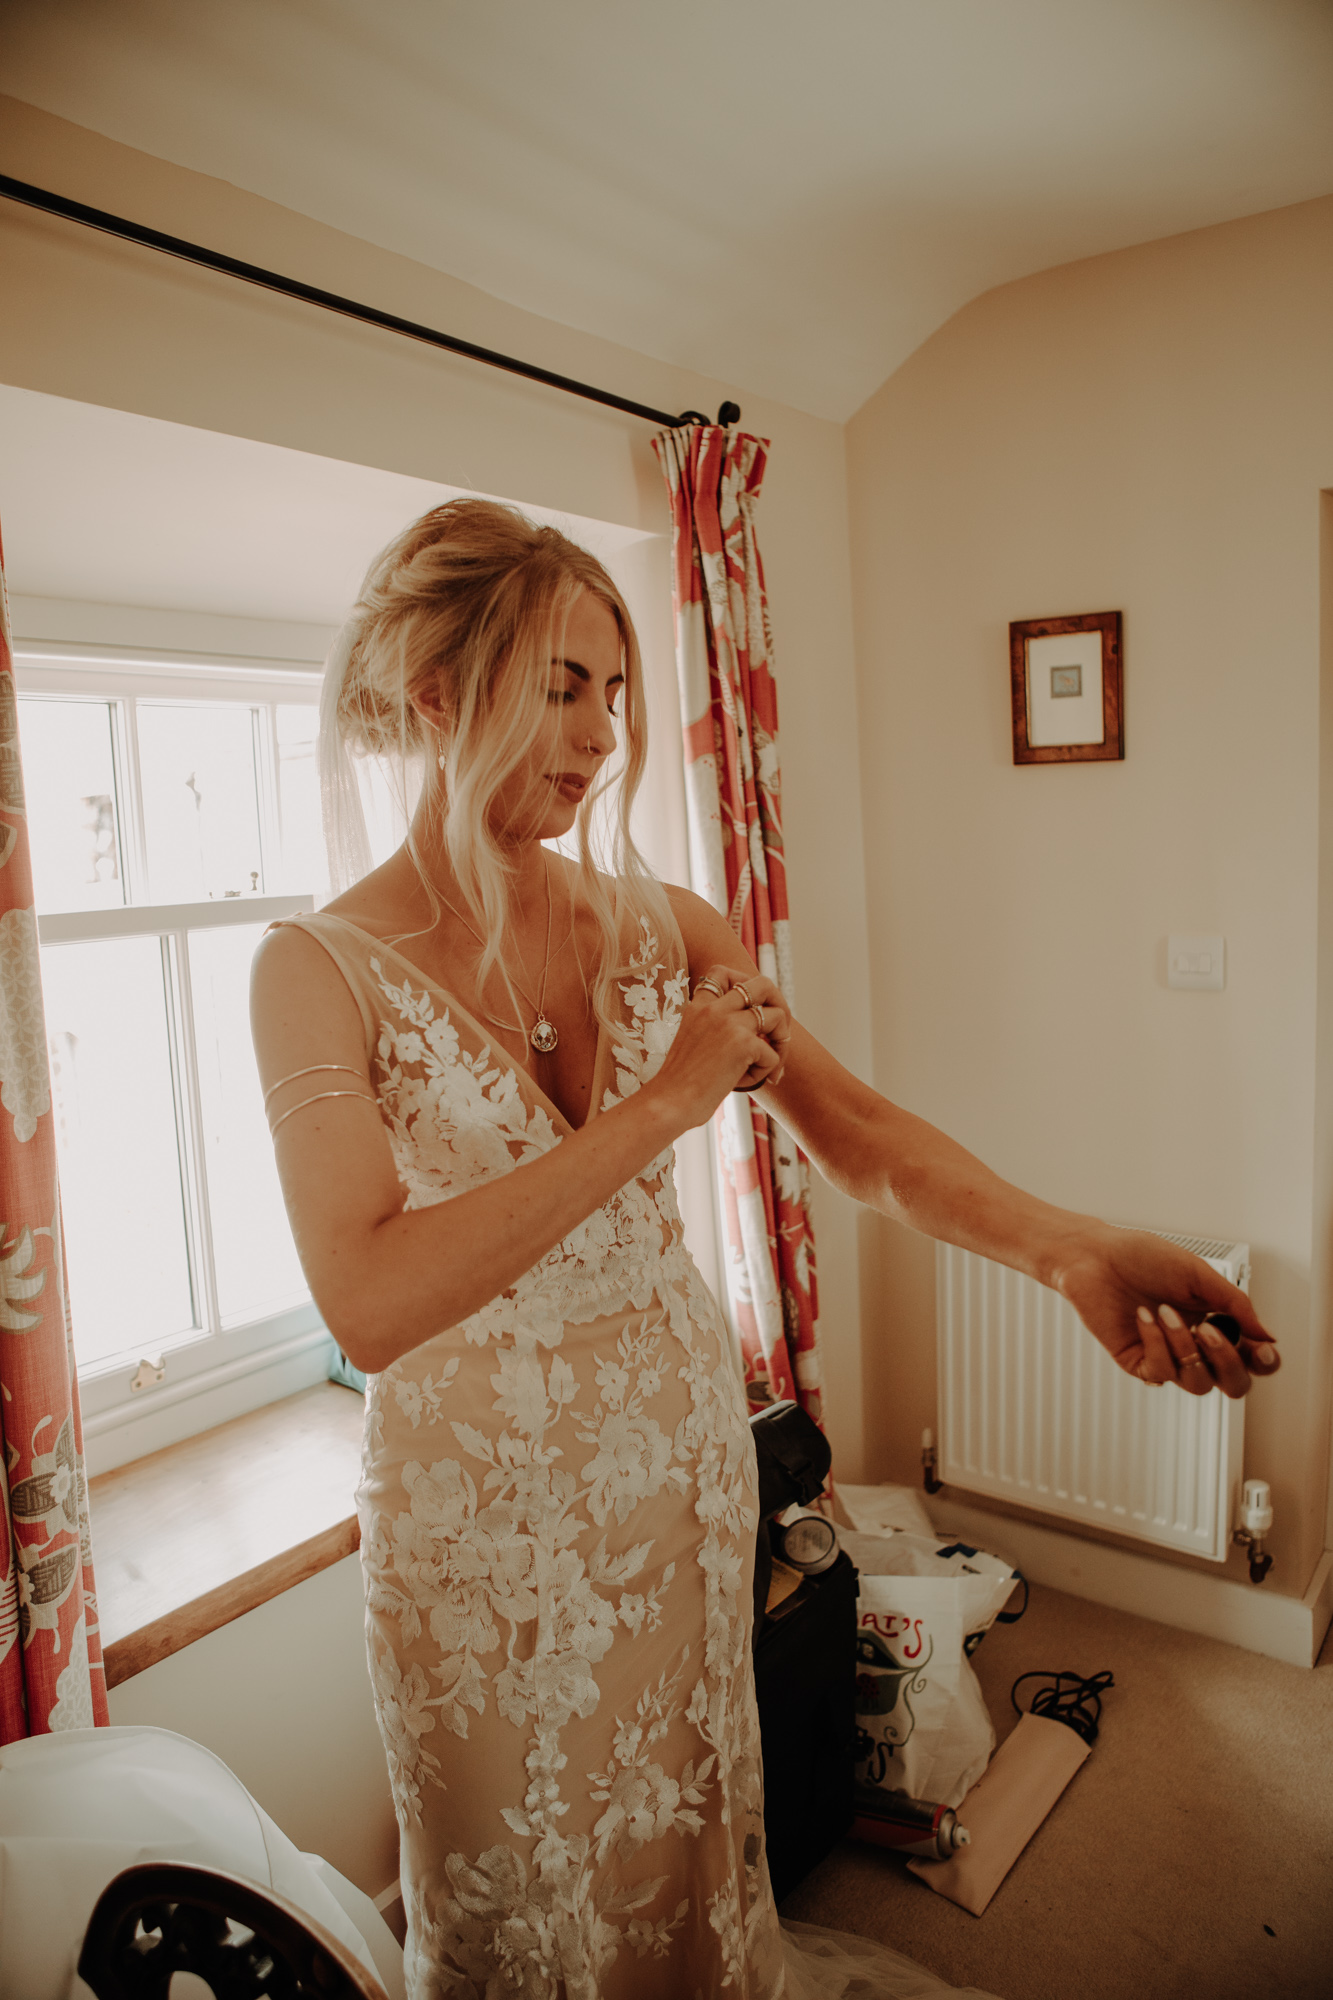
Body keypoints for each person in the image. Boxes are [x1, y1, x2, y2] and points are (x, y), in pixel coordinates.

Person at [251, 499, 1277, 2000]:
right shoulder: (313, 971)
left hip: (672, 1469)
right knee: (514, 1889)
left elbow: (861, 1139)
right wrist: (661, 1104)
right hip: (472, 1526)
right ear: (434, 697)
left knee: (683, 1833)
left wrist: (1069, 1250)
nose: (603, 733)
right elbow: (371, 1292)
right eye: (560, 686)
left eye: (615, 691)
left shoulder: (670, 925)